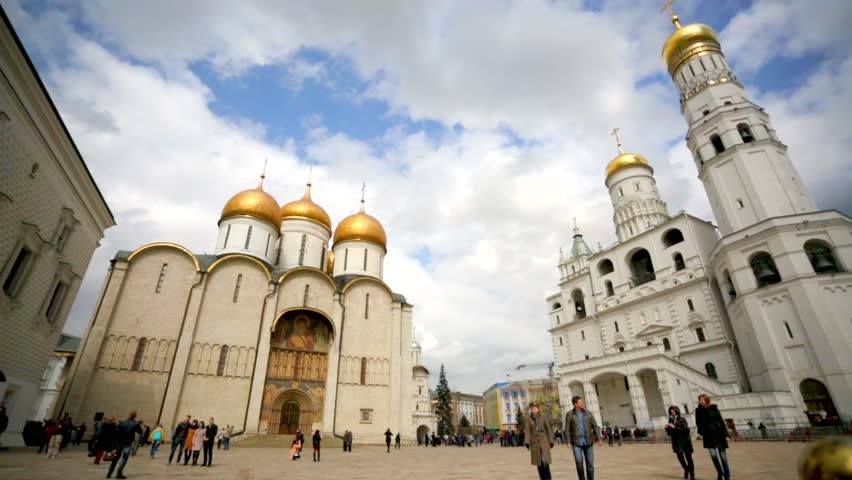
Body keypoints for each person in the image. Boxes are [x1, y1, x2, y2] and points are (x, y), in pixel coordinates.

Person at [695, 394, 731, 480]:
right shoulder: (698, 410)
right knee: (714, 456)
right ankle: (719, 472)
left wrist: (726, 435)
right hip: (708, 436)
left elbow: (721, 422)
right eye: (699, 400)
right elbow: (698, 423)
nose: (700, 401)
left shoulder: (714, 408)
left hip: (719, 435)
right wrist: (701, 432)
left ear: (706, 400)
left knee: (723, 457)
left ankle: (727, 475)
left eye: (702, 400)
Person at [565, 395, 601, 480]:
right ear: (575, 404)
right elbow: (567, 429)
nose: (582, 403)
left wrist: (599, 439)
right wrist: (568, 441)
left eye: (582, 402)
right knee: (579, 462)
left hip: (588, 441)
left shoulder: (588, 413)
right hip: (576, 442)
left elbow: (595, 426)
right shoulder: (569, 414)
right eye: (580, 402)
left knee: (590, 464)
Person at [524, 402, 555, 480]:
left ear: (538, 409)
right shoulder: (528, 419)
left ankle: (548, 478)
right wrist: (527, 441)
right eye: (532, 409)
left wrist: (551, 440)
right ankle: (542, 478)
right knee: (539, 463)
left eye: (534, 409)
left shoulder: (543, 417)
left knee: (545, 462)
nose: (533, 411)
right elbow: (527, 431)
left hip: (544, 442)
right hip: (535, 443)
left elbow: (548, 429)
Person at [108, 411, 142, 479]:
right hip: (128, 443)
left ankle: (109, 473)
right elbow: (140, 432)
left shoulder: (123, 422)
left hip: (120, 442)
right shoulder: (135, 424)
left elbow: (118, 431)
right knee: (124, 459)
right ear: (135, 416)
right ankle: (119, 473)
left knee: (115, 458)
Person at [666, 405, 695, 480]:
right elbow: (669, 433)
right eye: (671, 412)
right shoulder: (670, 421)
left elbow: (686, 429)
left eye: (673, 412)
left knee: (689, 458)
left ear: (676, 411)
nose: (672, 413)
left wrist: (674, 427)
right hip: (676, 442)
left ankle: (692, 474)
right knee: (680, 458)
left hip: (685, 441)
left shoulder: (682, 419)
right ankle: (686, 469)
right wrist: (667, 428)